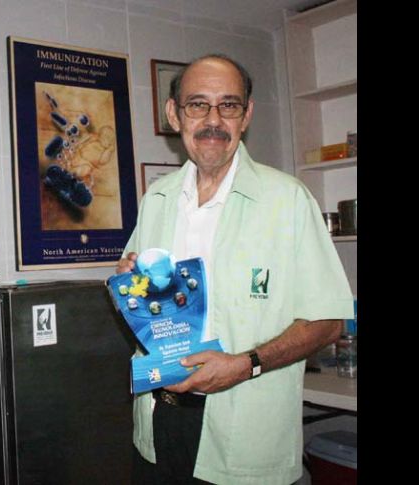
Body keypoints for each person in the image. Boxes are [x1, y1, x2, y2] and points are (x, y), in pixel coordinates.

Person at [117, 54, 353, 484]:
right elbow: (137, 295)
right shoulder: (157, 199)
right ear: (174, 114)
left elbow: (328, 321)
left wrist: (247, 364)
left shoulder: (288, 200)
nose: (213, 120)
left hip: (243, 437)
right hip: (157, 423)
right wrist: (128, 283)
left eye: (228, 105)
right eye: (197, 105)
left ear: (246, 116)